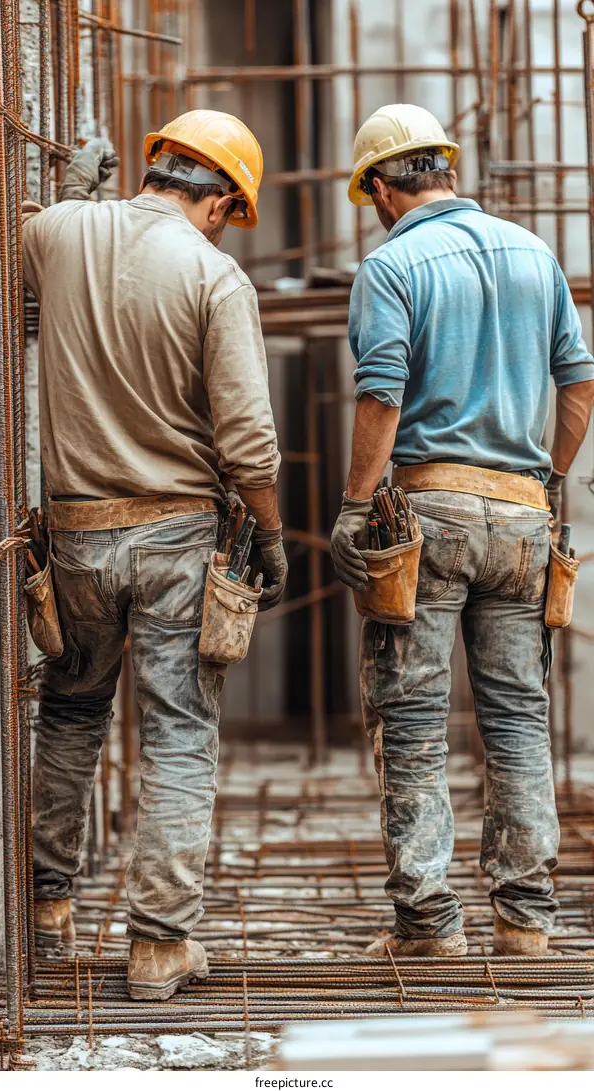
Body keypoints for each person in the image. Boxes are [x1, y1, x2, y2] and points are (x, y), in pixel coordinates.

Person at [22, 110, 287, 999]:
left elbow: (41, 255)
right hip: (176, 535)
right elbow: (249, 439)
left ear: (159, 170)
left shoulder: (57, 230)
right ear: (220, 203)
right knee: (178, 733)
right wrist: (272, 535)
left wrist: (77, 195)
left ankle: (46, 911)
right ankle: (158, 945)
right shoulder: (215, 275)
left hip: (76, 532)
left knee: (69, 713)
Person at [331, 103, 594, 957]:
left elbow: (381, 391)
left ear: (379, 186)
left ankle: (428, 922)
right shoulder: (535, 252)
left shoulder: (390, 264)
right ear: (445, 167)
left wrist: (354, 502)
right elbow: (579, 385)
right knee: (518, 715)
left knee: (411, 718)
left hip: (429, 513)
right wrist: (545, 483)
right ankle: (525, 920)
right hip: (522, 514)